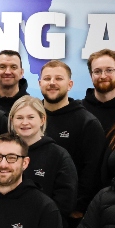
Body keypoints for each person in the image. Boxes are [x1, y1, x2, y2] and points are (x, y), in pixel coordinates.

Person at [39, 60, 104, 219]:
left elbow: (92, 171)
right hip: (32, 209)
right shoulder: (29, 118)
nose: (52, 83)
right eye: (47, 79)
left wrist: (78, 207)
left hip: (69, 214)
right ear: (40, 83)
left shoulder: (87, 123)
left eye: (59, 78)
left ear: (70, 84)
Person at [8, 96, 78, 217]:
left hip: (45, 225)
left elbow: (65, 202)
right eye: (19, 118)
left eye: (31, 117)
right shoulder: (3, 151)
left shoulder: (59, 155)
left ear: (42, 120)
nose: (25, 122)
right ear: (12, 121)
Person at [81, 49, 115, 133]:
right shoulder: (79, 110)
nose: (103, 76)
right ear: (91, 75)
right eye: (97, 71)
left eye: (109, 70)